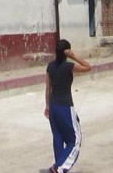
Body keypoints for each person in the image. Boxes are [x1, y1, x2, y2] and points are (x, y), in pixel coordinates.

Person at [44, 39, 91, 173]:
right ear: (67, 52)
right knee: (74, 140)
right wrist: (73, 56)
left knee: (58, 139)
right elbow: (88, 67)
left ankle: (58, 166)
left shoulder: (50, 66)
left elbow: (48, 88)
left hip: (53, 107)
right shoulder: (69, 66)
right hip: (65, 107)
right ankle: (58, 168)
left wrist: (47, 107)